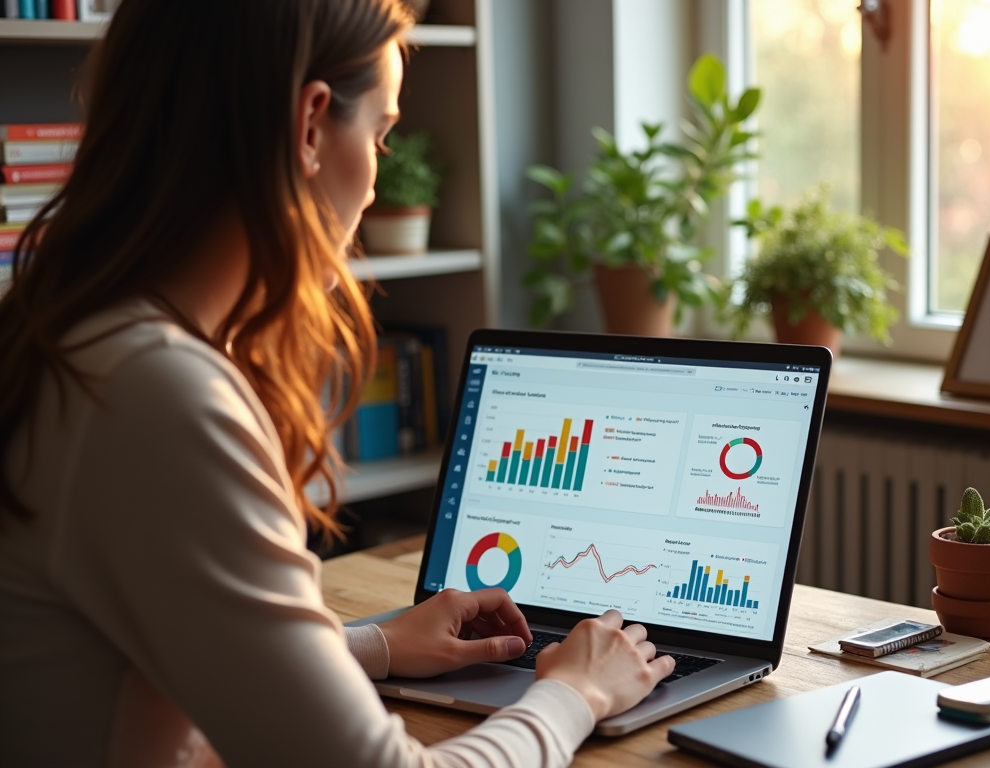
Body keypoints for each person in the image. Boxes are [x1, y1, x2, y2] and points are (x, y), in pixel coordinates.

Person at [0, 1, 675, 766]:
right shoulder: (155, 396)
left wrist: (374, 645)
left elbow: (177, 641)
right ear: (313, 124)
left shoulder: (70, 336)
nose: (379, 185)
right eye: (382, 135)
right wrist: (576, 694)